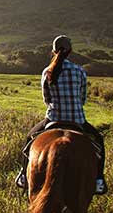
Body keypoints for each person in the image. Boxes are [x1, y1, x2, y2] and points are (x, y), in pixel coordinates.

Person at [15, 35, 106, 194]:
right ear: (70, 51)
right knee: (99, 141)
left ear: (53, 51)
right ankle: (99, 179)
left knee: (29, 138)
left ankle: (23, 175)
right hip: (77, 120)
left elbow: (46, 98)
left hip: (53, 118)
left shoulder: (47, 72)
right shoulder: (80, 71)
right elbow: (82, 97)